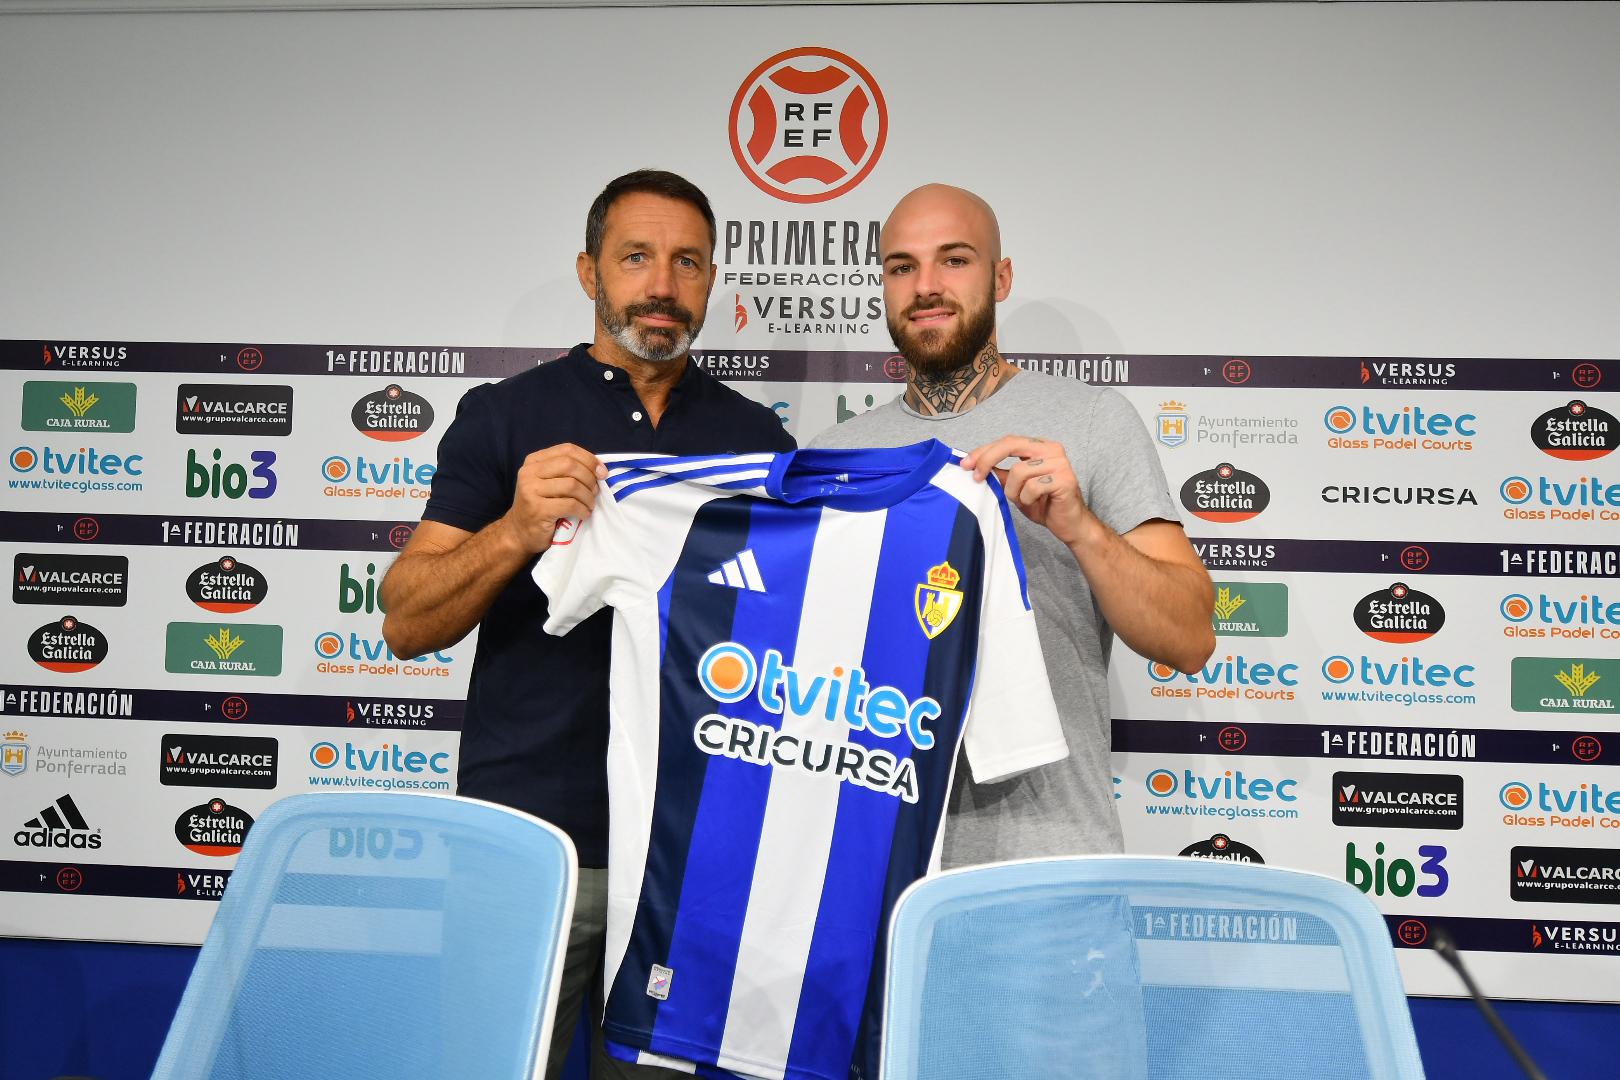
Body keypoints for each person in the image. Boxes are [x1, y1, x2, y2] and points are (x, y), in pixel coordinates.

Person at [380, 169, 795, 1079]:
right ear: (588, 271)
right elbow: (406, 621)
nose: (663, 284)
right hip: (525, 846)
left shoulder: (757, 440)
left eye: (688, 262)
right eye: (637, 257)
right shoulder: (506, 416)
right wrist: (518, 531)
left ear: (714, 280)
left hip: (685, 862)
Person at [811, 183, 1215, 867]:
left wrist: (1082, 528)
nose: (926, 286)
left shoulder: (1093, 423)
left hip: (1049, 868)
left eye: (955, 260)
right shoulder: (829, 458)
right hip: (870, 868)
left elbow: (1191, 639)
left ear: (1001, 277)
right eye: (902, 267)